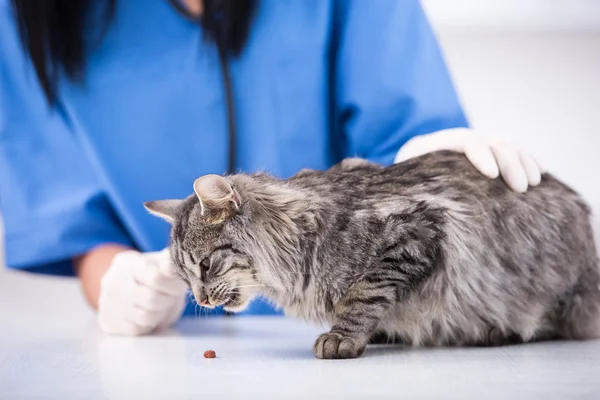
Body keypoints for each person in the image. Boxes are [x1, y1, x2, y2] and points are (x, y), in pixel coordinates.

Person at [0, 0, 542, 336]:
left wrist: (423, 155)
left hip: (371, 331)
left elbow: (399, 129)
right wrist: (121, 284)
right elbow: (65, 207)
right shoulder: (25, 17)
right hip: (175, 355)